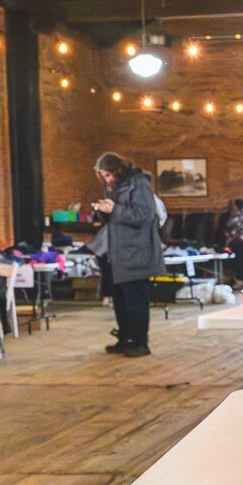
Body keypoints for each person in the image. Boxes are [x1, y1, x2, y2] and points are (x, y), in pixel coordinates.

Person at [93, 152, 163, 357]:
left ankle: (141, 342)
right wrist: (102, 210)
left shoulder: (139, 184)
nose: (108, 180)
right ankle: (125, 338)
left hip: (137, 251)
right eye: (104, 176)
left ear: (118, 169)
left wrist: (115, 209)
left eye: (109, 175)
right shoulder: (114, 187)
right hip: (118, 252)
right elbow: (115, 216)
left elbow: (145, 215)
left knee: (135, 299)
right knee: (120, 299)